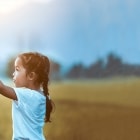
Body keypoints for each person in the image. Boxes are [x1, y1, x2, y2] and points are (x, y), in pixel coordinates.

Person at [0, 52, 54, 140]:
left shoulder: (29, 96)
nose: (13, 73)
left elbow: (1, 88)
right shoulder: (41, 95)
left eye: (17, 69)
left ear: (31, 76)